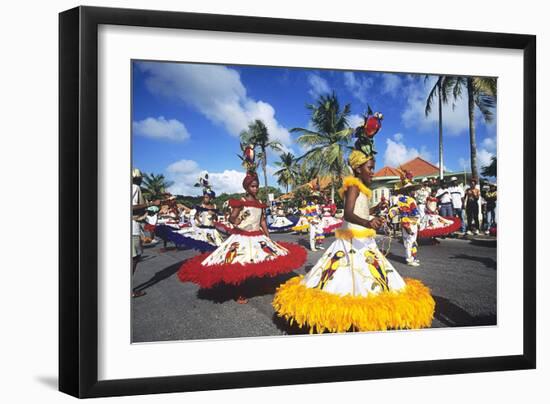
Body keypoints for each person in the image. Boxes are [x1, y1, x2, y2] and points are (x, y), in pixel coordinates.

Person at [273, 112, 434, 333]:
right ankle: (350, 317)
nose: (373, 172)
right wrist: (369, 223)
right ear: (358, 169)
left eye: (373, 167)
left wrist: (376, 211)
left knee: (371, 277)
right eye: (370, 168)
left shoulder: (362, 189)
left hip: (364, 239)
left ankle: (364, 316)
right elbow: (348, 214)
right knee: (347, 279)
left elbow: (360, 210)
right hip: (351, 240)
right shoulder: (353, 186)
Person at [177, 144, 307, 303]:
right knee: (240, 264)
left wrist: (268, 237)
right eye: (253, 186)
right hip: (242, 237)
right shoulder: (241, 201)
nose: (256, 188)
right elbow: (232, 218)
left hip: (258, 237)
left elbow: (262, 221)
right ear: (246, 187)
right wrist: (236, 221)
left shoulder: (260, 202)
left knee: (265, 261)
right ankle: (239, 292)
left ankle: (264, 285)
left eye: (257, 186)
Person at [389, 171, 421, 266]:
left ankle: (413, 257)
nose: (414, 192)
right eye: (412, 190)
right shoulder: (406, 200)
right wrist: (407, 226)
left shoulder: (407, 200)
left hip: (413, 223)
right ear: (408, 191)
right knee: (409, 242)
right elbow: (403, 214)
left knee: (412, 241)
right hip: (408, 223)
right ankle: (409, 259)